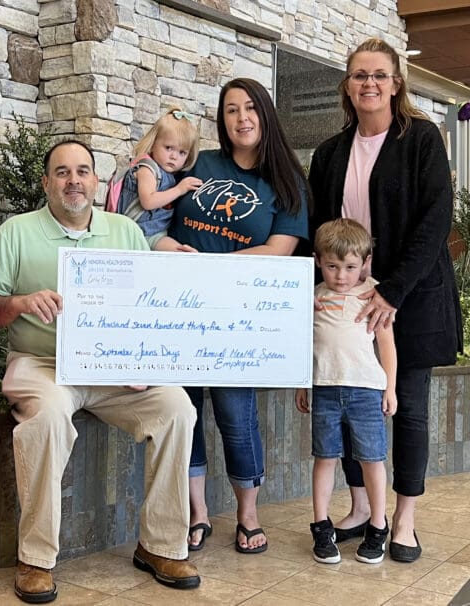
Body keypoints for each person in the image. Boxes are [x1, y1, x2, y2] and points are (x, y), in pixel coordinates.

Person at [0, 140, 200, 604]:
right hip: (42, 364)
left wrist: (144, 358)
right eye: (62, 172)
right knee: (48, 418)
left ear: (97, 182)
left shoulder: (125, 231)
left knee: (177, 408)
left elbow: (147, 307)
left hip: (113, 368)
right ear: (46, 183)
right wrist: (21, 303)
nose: (73, 180)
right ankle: (35, 559)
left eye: (83, 171)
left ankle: (160, 546)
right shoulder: (16, 231)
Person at [308, 37, 461, 563]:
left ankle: (404, 520)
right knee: (353, 407)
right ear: (347, 86)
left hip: (409, 298)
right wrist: (310, 292)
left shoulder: (421, 138)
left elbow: (435, 220)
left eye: (378, 75)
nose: (368, 83)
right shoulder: (330, 153)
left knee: (408, 409)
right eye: (359, 75)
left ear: (396, 83)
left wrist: (391, 292)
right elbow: (316, 230)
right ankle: (359, 508)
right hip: (346, 303)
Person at [168, 77, 309, 553]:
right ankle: (197, 512)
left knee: (236, 413)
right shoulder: (199, 163)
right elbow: (157, 214)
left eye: (249, 108)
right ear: (221, 119)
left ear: (265, 114)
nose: (241, 118)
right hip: (178, 308)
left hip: (238, 316)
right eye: (231, 110)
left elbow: (280, 250)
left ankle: (248, 514)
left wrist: (214, 266)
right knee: (183, 411)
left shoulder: (286, 181)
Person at [296, 218, 397, 565]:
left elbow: (387, 345)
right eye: (332, 266)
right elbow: (303, 343)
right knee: (324, 457)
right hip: (324, 389)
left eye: (350, 267)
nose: (341, 275)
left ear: (365, 263)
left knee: (372, 459)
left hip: (366, 391)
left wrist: (390, 388)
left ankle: (378, 525)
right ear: (317, 261)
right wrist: (302, 383)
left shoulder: (373, 294)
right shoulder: (312, 297)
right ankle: (321, 527)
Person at [115, 107, 202, 251]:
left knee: (179, 252)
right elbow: (148, 202)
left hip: (156, 233)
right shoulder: (147, 169)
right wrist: (179, 189)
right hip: (135, 232)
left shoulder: (170, 174)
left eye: (182, 152)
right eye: (168, 148)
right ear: (153, 144)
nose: (174, 156)